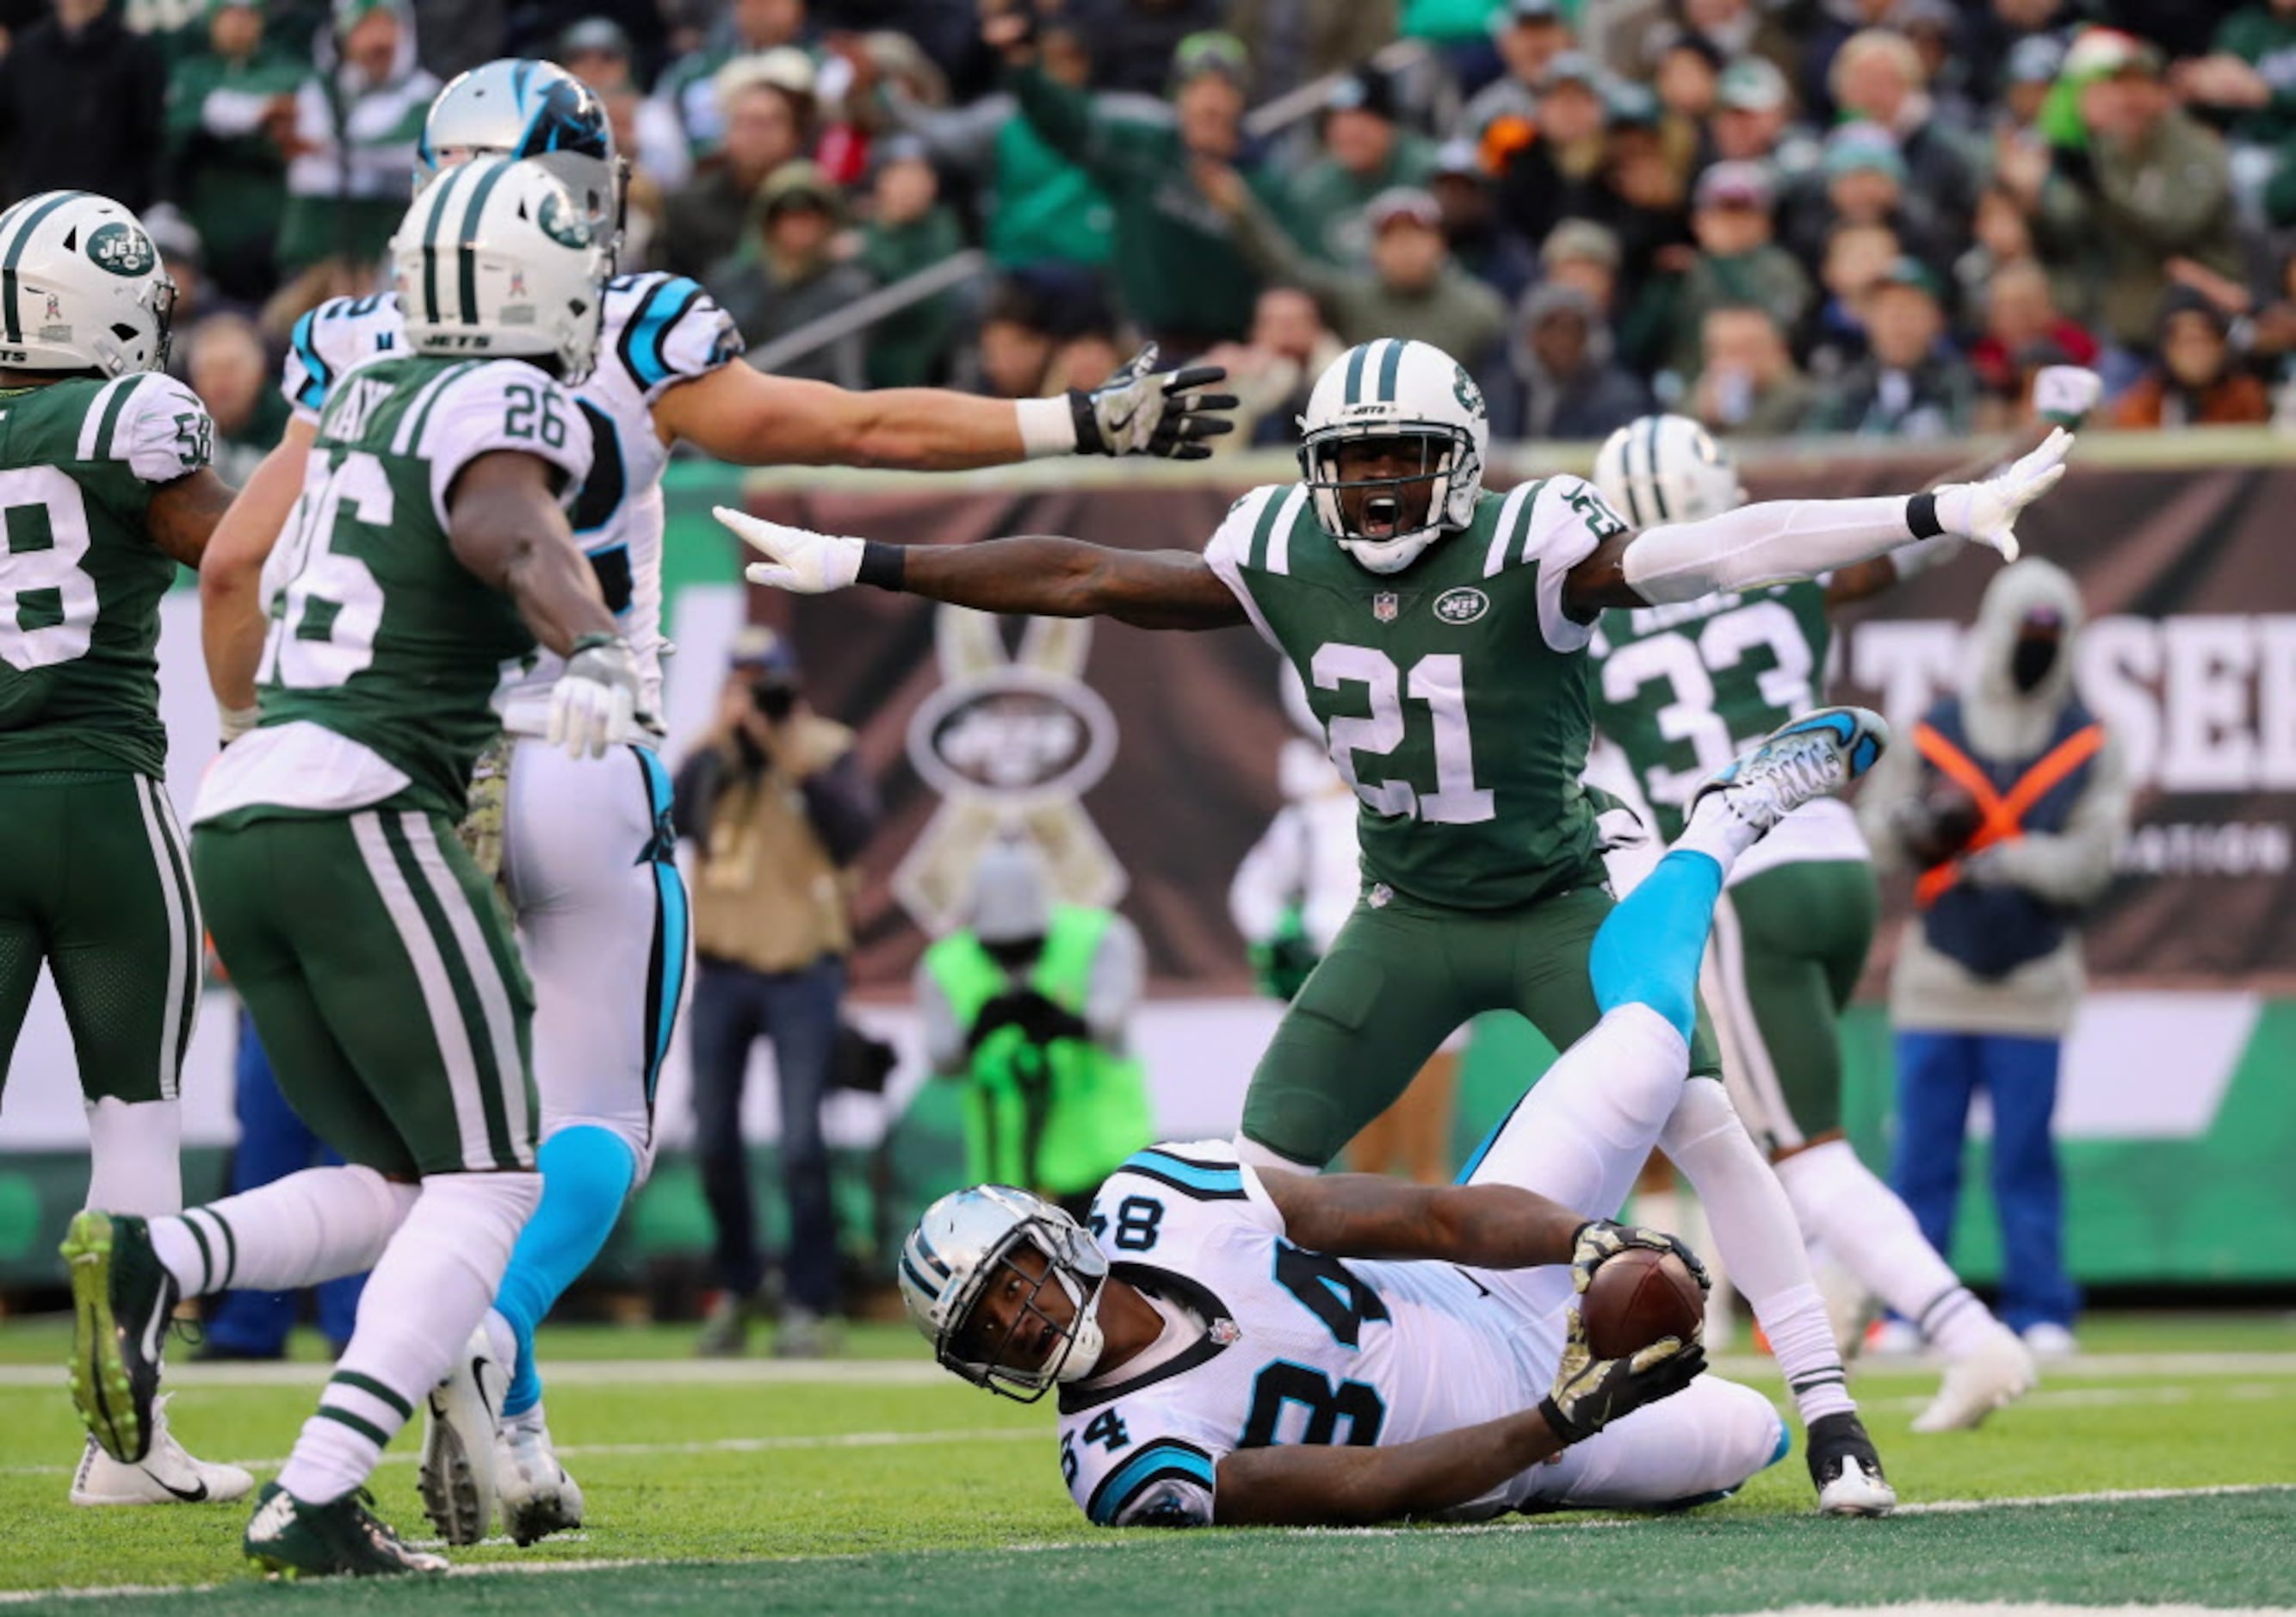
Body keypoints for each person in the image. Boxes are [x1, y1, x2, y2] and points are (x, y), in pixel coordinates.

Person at [719, 334, 2081, 1515]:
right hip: (1403, 911)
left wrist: (1929, 510)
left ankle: (1832, 1412)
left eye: (1401, 457)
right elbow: (1086, 574)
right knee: (1248, 1177)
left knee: (1706, 1113)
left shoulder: (1531, 539)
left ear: (1464, 455)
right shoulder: (1277, 544)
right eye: (1352, 459)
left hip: (1554, 893)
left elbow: (1727, 546)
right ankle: (1319, 1370)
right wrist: (865, 561)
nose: (1372, 485)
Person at [194, 53, 1235, 1552]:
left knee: (450, 1145)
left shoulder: (347, 336)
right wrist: (1072, 422)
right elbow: (850, 430)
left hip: (390, 774)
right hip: (574, 734)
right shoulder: (626, 322)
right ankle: (489, 1337)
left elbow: (233, 567)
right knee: (590, 1119)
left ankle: (482, 1416)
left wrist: (239, 734)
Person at [900, 708, 1889, 1527]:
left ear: (1054, 1240)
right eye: (988, 1328)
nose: (1019, 1322)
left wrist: (1584, 1239)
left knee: (1651, 1051)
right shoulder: (1117, 1460)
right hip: (1527, 1451)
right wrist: (1559, 1420)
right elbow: (1375, 1485)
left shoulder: (1160, 1197)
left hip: (1463, 1285)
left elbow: (1420, 1219)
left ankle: (1714, 829)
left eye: (1012, 1285)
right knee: (1748, 1434)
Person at [65, 154, 630, 1577]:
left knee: (399, 1177)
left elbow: (235, 570)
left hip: (254, 788)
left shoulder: (361, 384)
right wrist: (598, 640)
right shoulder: (503, 396)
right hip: (363, 799)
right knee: (496, 1177)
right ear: (521, 284)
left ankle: (159, 1256)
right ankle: (319, 1485)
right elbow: (511, 525)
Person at [1587, 412, 2059, 1433]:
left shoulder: (1594, 622)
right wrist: (2007, 456)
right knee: (1780, 1131)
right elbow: (1899, 541)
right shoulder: (1782, 572)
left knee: (1802, 1150)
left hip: (1742, 869)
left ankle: (1966, 1333)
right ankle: (1842, 1293)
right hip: (1834, 859)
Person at [0, 190, 238, 1508]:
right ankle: (127, 1448)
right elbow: (234, 550)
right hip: (98, 791)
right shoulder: (128, 417)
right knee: (134, 1116)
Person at [1857, 559, 2131, 1360]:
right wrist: (1917, 827)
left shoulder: (2089, 743)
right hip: (1935, 979)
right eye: (2026, 633)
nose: (2036, 648)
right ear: (1995, 630)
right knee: (1921, 1157)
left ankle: (2042, 1307)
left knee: (2023, 1160)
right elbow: (1873, 832)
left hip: (2035, 981)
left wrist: (2003, 858)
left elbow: (2091, 861)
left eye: (2051, 635)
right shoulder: (1933, 727)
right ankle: (1912, 1309)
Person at [675, 628, 877, 1359]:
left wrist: (786, 750)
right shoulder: (711, 754)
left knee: (800, 1145)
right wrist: (723, 738)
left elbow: (853, 831)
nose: (757, 695)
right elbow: (679, 820)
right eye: (744, 681)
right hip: (724, 968)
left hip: (802, 968)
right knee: (714, 1142)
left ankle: (810, 1299)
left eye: (768, 683)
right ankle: (736, 1285)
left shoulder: (826, 746)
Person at [1231, 738, 1457, 1186]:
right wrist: (1282, 941)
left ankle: (1438, 1259)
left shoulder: (1433, 814)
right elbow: (1253, 889)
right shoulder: (1308, 819)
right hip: (1346, 990)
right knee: (1366, 1160)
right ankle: (1366, 1256)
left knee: (1425, 1157)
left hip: (1425, 989)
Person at [915, 838, 1150, 1222]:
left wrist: (1067, 1023)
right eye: (1001, 951)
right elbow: (942, 1060)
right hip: (1004, 1176)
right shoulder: (944, 964)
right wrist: (977, 1033)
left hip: (1102, 1163)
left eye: (1027, 947)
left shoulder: (1101, 938)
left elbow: (1111, 1019)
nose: (1015, 967)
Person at [192, 1007, 368, 1363]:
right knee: (262, 1166)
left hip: (359, 993)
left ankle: (359, 1325)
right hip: (274, 996)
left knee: (361, 1171)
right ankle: (248, 1326)